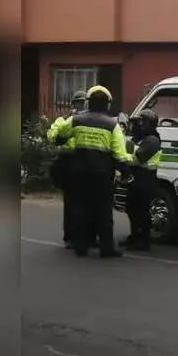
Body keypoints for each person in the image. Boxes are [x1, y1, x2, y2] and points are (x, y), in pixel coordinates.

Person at [52, 85, 129, 258]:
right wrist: (125, 172)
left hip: (79, 173)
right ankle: (106, 247)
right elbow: (120, 154)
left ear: (88, 103)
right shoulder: (112, 125)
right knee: (104, 211)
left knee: (81, 209)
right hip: (103, 176)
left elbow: (60, 137)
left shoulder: (76, 120)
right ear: (107, 104)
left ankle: (81, 246)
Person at [47, 90, 87, 248]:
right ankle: (70, 236)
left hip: (86, 160)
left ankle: (88, 236)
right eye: (79, 102)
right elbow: (52, 135)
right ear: (73, 104)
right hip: (69, 161)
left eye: (84, 102)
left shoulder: (91, 120)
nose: (82, 105)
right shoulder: (64, 119)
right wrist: (69, 123)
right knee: (71, 202)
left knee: (88, 202)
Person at [120, 109, 162, 251]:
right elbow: (128, 151)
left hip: (146, 179)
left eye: (141, 122)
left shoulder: (152, 140)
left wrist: (121, 158)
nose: (138, 124)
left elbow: (136, 159)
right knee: (131, 208)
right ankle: (134, 236)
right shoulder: (138, 139)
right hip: (136, 177)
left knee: (142, 210)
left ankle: (144, 240)